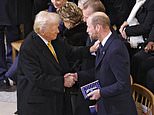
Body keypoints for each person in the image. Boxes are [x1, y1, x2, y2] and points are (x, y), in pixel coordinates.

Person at [16, 11, 97, 115]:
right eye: (55, 27)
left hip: (56, 98)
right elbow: (36, 77)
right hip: (39, 103)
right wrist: (62, 82)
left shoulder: (54, 38)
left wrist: (90, 49)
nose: (58, 31)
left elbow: (70, 51)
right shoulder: (29, 48)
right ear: (42, 30)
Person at [85, 12, 137, 115]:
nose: (87, 30)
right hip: (107, 105)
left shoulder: (115, 49)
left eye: (88, 27)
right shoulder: (103, 45)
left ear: (98, 27)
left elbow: (123, 84)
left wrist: (100, 92)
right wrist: (78, 76)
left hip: (118, 109)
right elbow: (102, 72)